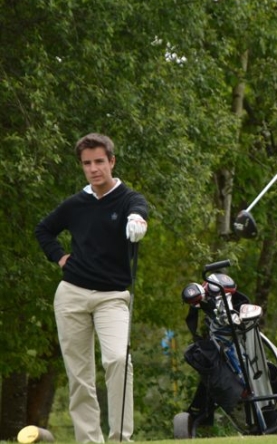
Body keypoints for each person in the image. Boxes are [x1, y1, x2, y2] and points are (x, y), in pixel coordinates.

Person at [35, 133, 148, 443]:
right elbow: (44, 230)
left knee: (117, 360)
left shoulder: (128, 198)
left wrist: (138, 222)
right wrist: (60, 258)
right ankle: (88, 440)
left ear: (111, 161)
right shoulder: (75, 204)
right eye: (88, 163)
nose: (94, 168)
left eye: (100, 161)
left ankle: (120, 438)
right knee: (79, 376)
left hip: (112, 297)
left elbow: (139, 210)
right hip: (71, 294)